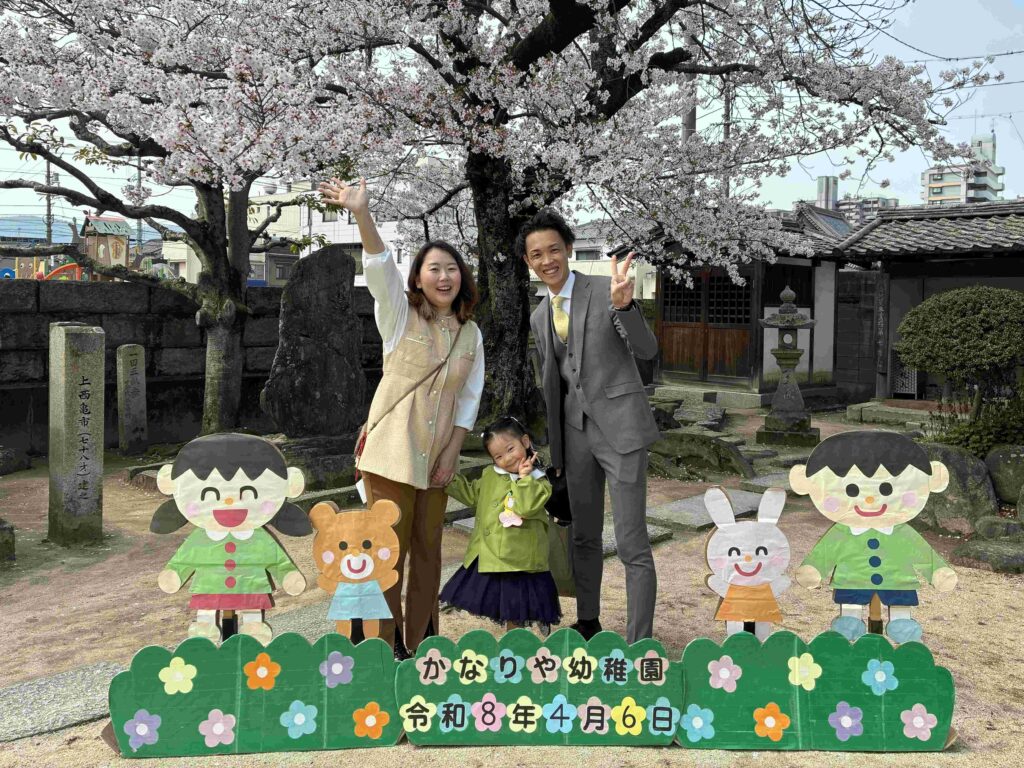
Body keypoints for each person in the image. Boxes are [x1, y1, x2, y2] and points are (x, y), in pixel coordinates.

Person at [318, 177, 484, 657]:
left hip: (437, 457)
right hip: (391, 452)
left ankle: (424, 640)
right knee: (387, 549)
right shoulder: (397, 315)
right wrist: (362, 214)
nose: (444, 277)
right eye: (434, 269)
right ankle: (385, 646)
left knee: (429, 550)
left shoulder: (470, 334)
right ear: (417, 278)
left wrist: (452, 453)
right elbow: (378, 268)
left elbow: (468, 399)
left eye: (452, 269)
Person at [519, 208, 660, 643]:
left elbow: (646, 350)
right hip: (575, 433)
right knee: (583, 535)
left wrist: (626, 307)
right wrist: (557, 453)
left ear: (568, 249)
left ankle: (639, 640)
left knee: (632, 540)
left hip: (621, 428)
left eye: (554, 250)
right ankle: (588, 620)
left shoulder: (606, 291)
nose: (547, 260)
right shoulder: (539, 316)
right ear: (528, 261)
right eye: (537, 254)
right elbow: (554, 385)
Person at [790, 431, 957, 643]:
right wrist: (815, 568)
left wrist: (937, 571)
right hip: (852, 580)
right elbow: (825, 552)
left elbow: (922, 553)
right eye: (852, 490)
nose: (869, 499)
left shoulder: (902, 532)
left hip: (897, 581)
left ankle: (901, 624)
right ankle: (850, 623)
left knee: (900, 605)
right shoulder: (842, 532)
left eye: (886, 488)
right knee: (850, 609)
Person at [440, 417, 562, 632]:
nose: (507, 458)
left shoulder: (538, 480)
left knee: (516, 610)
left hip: (522, 562)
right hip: (493, 555)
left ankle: (516, 645)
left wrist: (524, 479)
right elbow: (473, 495)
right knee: (505, 607)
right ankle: (512, 643)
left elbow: (526, 507)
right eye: (498, 456)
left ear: (525, 442)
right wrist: (448, 480)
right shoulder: (490, 474)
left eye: (510, 449)